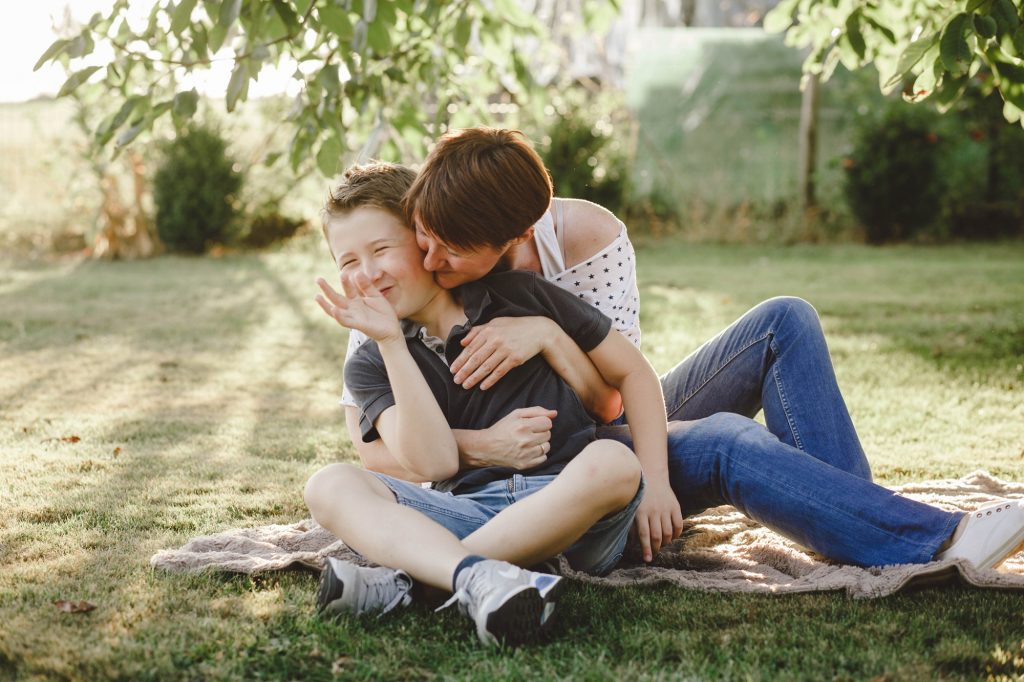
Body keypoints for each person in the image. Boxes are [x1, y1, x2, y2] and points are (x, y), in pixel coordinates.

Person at [333, 129, 1024, 574]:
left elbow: (613, 394)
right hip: (557, 461)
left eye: (443, 247)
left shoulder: (561, 257)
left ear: (511, 239)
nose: (429, 254)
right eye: (421, 237)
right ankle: (891, 531)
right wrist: (483, 444)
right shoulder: (393, 319)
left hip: (604, 420)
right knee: (722, 442)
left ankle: (876, 528)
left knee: (784, 321)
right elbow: (383, 451)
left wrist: (545, 337)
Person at [304, 162, 677, 647]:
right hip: (466, 509)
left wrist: (658, 483)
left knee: (614, 462)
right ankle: (479, 578)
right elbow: (433, 462)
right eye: (348, 262)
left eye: (381, 250)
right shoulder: (372, 364)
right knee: (328, 484)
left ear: (422, 239)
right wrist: (393, 343)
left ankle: (412, 583)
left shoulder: (521, 295)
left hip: (570, 510)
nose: (368, 273)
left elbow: (633, 372)